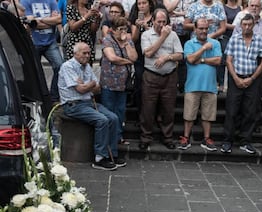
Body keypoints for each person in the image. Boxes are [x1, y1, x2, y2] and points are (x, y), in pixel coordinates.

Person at [58, 42, 126, 171]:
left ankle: (112, 154)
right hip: (73, 105)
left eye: (89, 53)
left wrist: (88, 85)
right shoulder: (68, 67)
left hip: (88, 102)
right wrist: (91, 84)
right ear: (75, 53)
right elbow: (81, 89)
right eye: (84, 53)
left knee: (113, 117)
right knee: (102, 120)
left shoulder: (87, 67)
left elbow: (97, 89)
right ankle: (100, 157)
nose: (87, 55)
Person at [221, 14, 262, 154]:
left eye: (249, 25)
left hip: (252, 80)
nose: (246, 27)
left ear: (253, 25)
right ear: (240, 25)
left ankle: (245, 140)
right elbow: (228, 60)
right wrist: (235, 78)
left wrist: (252, 79)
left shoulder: (259, 40)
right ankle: (227, 140)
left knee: (250, 111)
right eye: (244, 24)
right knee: (232, 110)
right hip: (236, 78)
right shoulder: (234, 39)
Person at [139, 8, 183, 150]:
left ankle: (167, 137)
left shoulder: (174, 35)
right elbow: (149, 53)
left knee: (168, 109)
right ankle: (145, 137)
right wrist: (163, 37)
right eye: (159, 21)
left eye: (164, 22)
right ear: (153, 21)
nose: (162, 25)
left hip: (169, 76)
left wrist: (166, 57)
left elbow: (180, 55)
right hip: (151, 76)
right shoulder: (146, 35)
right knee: (148, 109)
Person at [178, 18, 222, 151]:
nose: (204, 31)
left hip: (210, 85)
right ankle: (186, 137)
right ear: (195, 29)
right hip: (192, 85)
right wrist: (203, 48)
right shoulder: (189, 43)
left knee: (208, 115)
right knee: (189, 114)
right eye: (201, 28)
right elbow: (190, 59)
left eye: (206, 28)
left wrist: (201, 59)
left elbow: (218, 60)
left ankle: (207, 138)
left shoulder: (215, 43)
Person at [100, 17, 138, 145]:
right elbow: (112, 58)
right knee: (109, 111)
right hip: (109, 84)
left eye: (125, 29)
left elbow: (134, 57)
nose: (123, 32)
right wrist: (128, 62)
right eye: (120, 29)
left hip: (123, 84)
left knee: (120, 112)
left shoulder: (128, 41)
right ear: (113, 30)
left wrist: (126, 43)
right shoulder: (107, 40)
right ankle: (108, 139)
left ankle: (118, 136)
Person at [21, 0, 64, 103]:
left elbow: (59, 19)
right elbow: (31, 24)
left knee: (60, 66)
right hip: (34, 43)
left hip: (50, 42)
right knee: (34, 71)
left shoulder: (51, 1)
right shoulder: (25, 1)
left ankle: (54, 97)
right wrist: (50, 20)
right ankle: (38, 97)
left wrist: (38, 20)